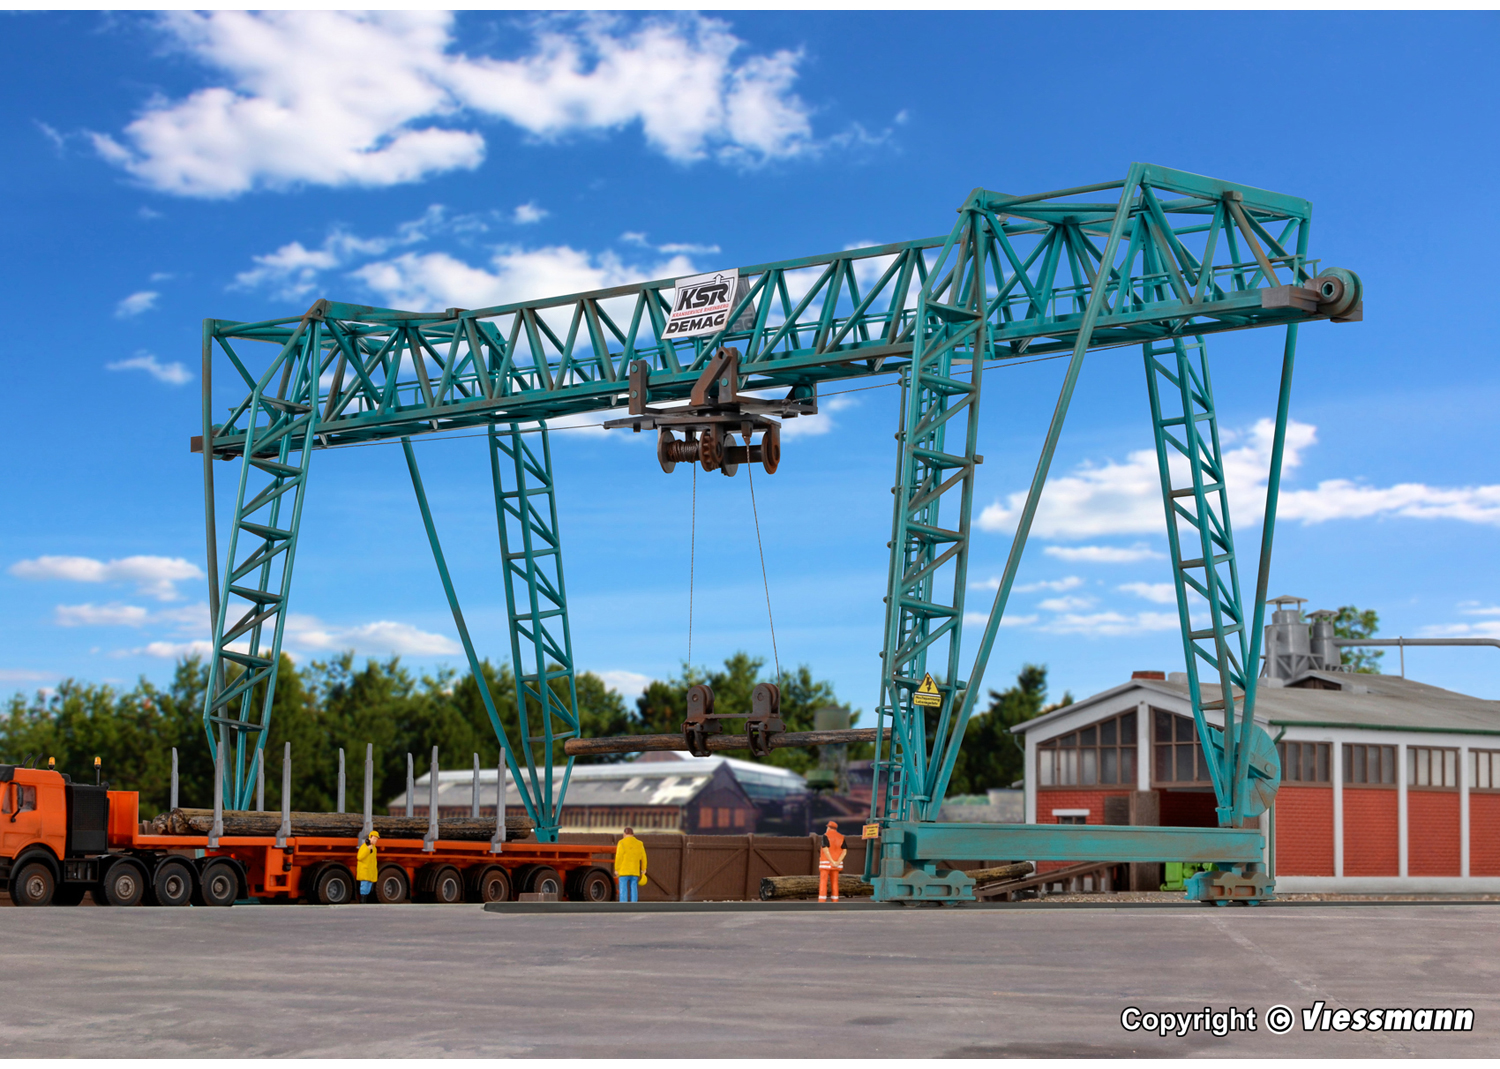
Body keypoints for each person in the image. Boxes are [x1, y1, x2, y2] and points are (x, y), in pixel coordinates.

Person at [614, 826, 647, 902]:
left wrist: (617, 869)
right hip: (635, 871)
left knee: (623, 889)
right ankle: (634, 904)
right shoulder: (640, 843)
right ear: (633, 834)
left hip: (623, 871)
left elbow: (619, 857)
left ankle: (623, 905)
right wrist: (643, 868)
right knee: (634, 888)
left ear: (624, 834)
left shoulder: (621, 843)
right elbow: (643, 857)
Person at [818, 820, 846, 902]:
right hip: (836, 865)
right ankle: (835, 899)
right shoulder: (841, 837)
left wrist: (831, 861)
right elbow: (844, 851)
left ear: (829, 828)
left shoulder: (825, 836)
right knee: (835, 883)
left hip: (825, 864)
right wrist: (837, 862)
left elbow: (826, 850)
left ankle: (822, 900)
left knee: (823, 882)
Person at [356, 830, 380, 903]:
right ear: (370, 838)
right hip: (365, 871)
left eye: (376, 839)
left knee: (368, 888)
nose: (376, 840)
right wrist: (368, 849)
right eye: (374, 838)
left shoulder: (374, 848)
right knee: (364, 888)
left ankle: (365, 901)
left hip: (370, 872)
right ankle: (362, 901)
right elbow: (359, 857)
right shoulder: (365, 846)